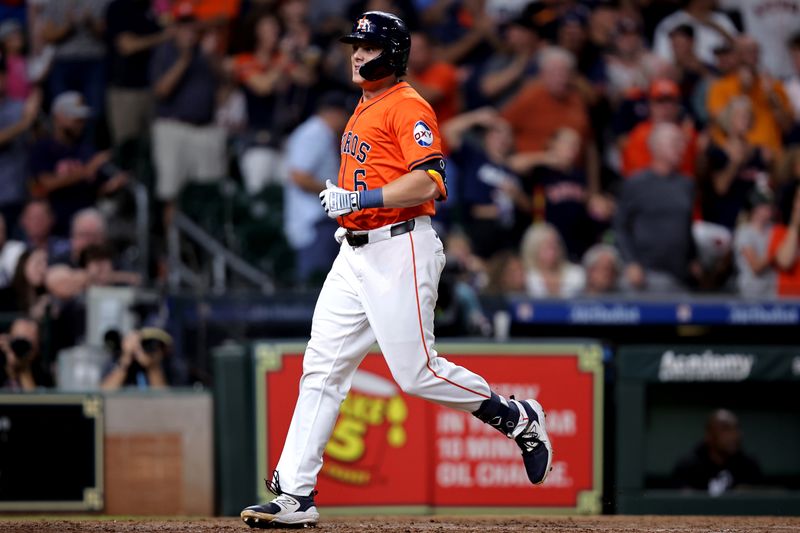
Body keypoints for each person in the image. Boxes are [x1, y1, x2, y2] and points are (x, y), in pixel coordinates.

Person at [240, 12, 553, 529]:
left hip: (400, 246)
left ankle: (516, 417)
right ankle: (296, 492)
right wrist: (352, 205)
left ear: (394, 54)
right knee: (322, 367)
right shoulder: (365, 102)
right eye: (354, 47)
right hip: (354, 252)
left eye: (368, 47)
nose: (357, 55)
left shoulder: (409, 105)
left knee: (416, 373)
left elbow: (429, 181)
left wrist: (359, 196)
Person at [614, 123, 701, 293]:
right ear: (657, 147)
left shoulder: (687, 185)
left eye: (682, 143)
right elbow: (621, 227)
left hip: (679, 276)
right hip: (645, 276)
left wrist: (693, 258)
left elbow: (686, 227)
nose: (682, 148)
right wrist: (631, 263)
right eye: (675, 143)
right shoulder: (635, 184)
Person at [283, 92, 351, 286]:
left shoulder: (321, 133)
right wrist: (337, 192)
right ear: (333, 113)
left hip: (320, 220)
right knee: (317, 287)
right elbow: (299, 177)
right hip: (314, 222)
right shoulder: (315, 133)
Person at [673, 408, 762, 495]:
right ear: (709, 435)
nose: (734, 435)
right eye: (725, 429)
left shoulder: (748, 466)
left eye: (736, 428)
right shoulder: (688, 467)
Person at [520, 221, 585, 298]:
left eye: (555, 244)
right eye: (546, 246)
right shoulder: (525, 276)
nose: (553, 250)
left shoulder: (576, 274)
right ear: (533, 249)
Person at [733, 188, 776, 298]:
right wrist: (777, 251)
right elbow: (756, 266)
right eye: (765, 205)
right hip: (751, 292)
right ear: (756, 208)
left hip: (772, 290)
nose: (769, 209)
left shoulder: (773, 229)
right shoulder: (744, 232)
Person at [100, 327, 171, 390]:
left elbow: (165, 399)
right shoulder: (114, 360)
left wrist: (152, 367)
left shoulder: (168, 364)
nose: (142, 348)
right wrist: (126, 360)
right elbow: (104, 394)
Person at [0, 317, 52, 391]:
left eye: (27, 344)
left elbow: (34, 400)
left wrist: (24, 369)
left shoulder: (41, 373)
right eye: (18, 342)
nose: (21, 348)